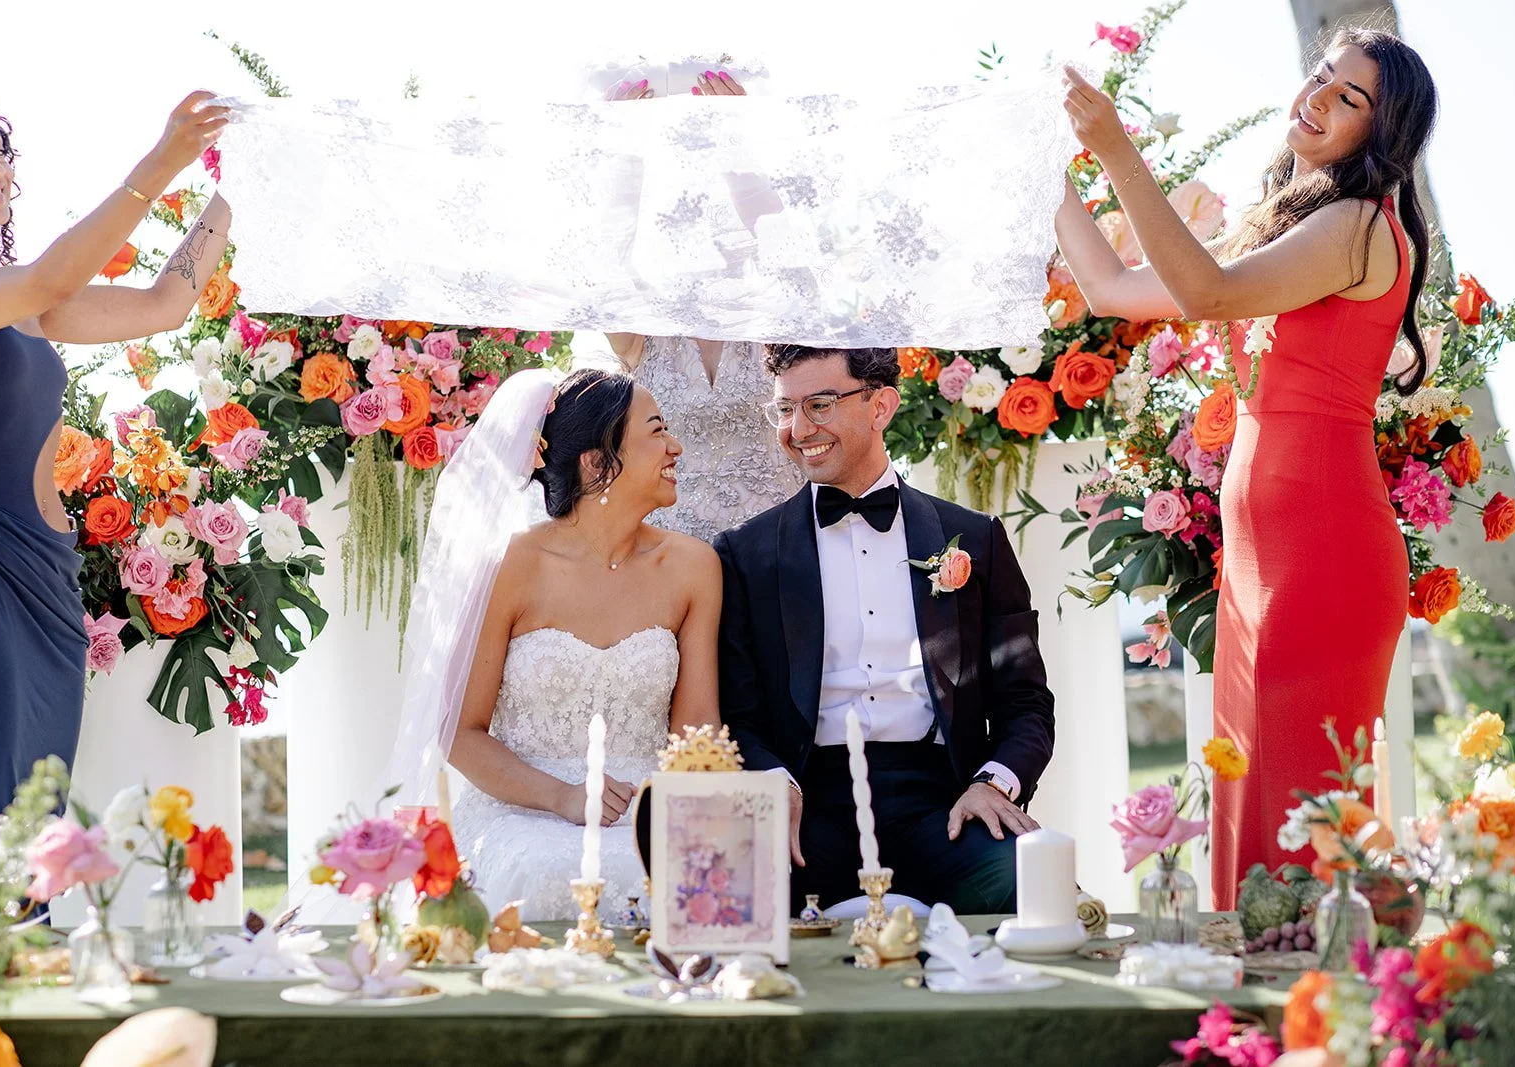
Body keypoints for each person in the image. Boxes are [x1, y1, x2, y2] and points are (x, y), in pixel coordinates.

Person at [1054, 28, 1437, 907]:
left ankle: (1319, 985)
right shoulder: (1292, 227)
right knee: (1248, 797)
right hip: (1259, 562)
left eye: (1350, 98)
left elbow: (1208, 294)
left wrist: (1117, 150)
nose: (1319, 98)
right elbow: (1111, 289)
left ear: (1382, 133)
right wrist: (1043, 176)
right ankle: (1263, 985)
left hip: (1323, 555)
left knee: (1300, 822)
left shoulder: (1357, 226)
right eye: (1321, 77)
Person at [0, 86, 231, 895]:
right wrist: (162, 162)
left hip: (44, 586)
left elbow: (166, 303)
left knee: (30, 835)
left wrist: (236, 191)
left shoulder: (18, 299)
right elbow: (45, 279)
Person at [714, 344, 1056, 913]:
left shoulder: (977, 539)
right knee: (737, 906)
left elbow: (1026, 701)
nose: (798, 429)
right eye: (785, 409)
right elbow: (737, 716)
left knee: (1035, 887)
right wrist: (773, 780)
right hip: (807, 805)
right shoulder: (744, 555)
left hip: (945, 803)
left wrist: (992, 784)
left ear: (881, 407)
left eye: (819, 405)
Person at [388, 368, 722, 920]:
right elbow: (459, 734)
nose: (675, 447)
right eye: (657, 430)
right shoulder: (508, 566)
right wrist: (563, 796)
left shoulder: (693, 567)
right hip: (523, 811)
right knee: (545, 866)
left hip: (647, 811)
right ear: (597, 463)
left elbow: (697, 733)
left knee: (693, 869)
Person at [603, 68, 803, 541]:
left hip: (775, 548)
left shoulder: (772, 321)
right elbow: (607, 260)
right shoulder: (642, 331)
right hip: (668, 552)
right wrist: (626, 148)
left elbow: (784, 246)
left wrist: (734, 143)